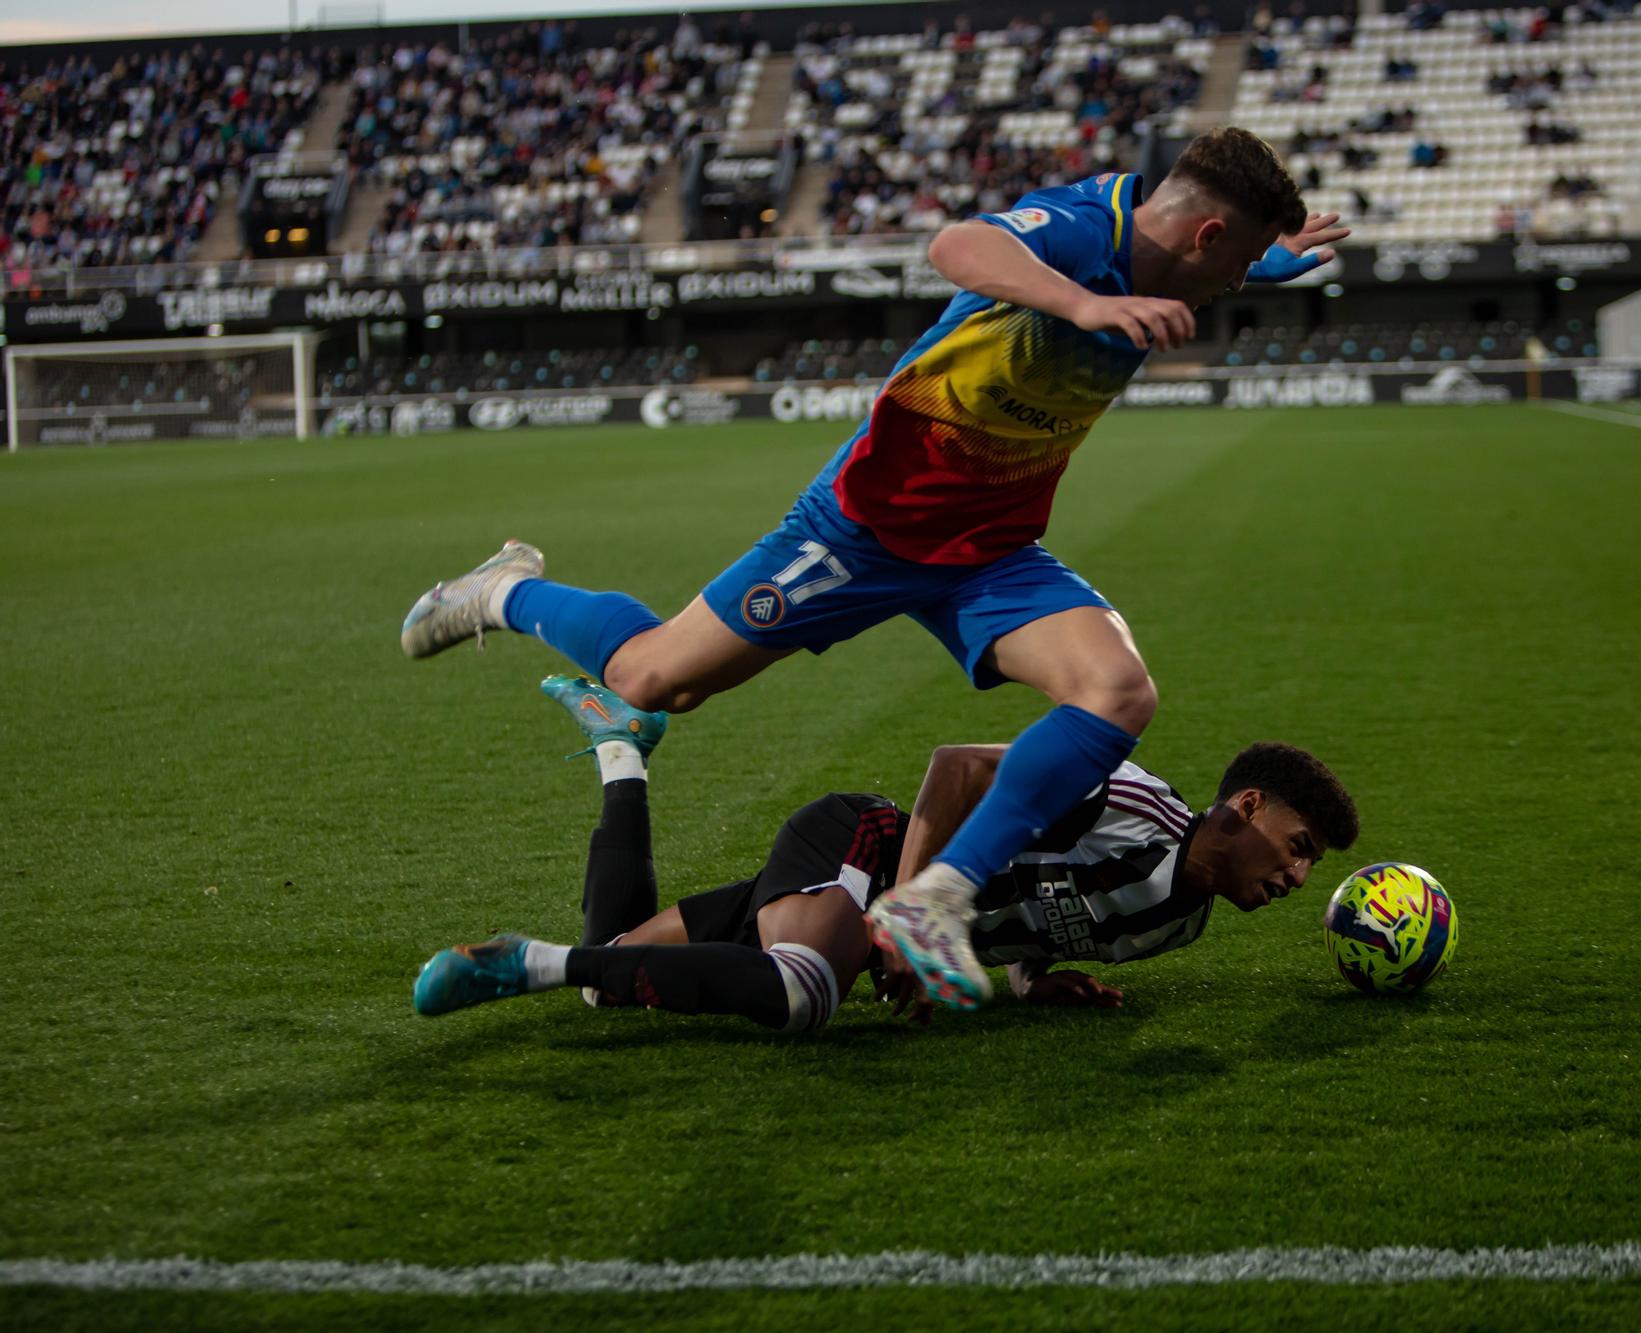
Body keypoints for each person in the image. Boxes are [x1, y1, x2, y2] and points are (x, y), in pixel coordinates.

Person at [397, 129, 1350, 1014]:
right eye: (1234, 262)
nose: (1230, 287)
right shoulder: (1075, 230)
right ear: (1207, 230)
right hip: (865, 534)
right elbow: (954, 247)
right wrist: (1083, 302)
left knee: (1117, 692)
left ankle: (935, 894)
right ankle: (500, 589)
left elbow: (1196, 258)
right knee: (651, 677)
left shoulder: (1176, 253)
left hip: (989, 552)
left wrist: (1270, 254)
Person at [412, 677, 1361, 1030]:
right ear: (1244, 806)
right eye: (1299, 845)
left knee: (617, 967)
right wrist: (909, 914)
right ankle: (520, 962)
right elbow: (955, 771)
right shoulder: (1124, 799)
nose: (1297, 875)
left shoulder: (1181, 924)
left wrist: (1033, 981)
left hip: (872, 906)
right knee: (801, 991)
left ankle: (620, 748)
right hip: (864, 842)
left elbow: (1039, 911)